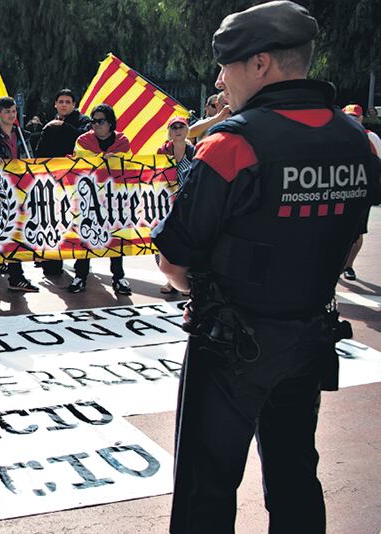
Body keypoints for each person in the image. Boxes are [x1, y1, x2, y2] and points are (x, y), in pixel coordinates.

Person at [152, 3, 380, 532]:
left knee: (206, 487)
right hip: (308, 337)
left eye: (225, 64)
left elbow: (173, 260)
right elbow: (351, 244)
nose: (218, 77)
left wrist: (215, 291)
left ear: (260, 65)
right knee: (296, 474)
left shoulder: (232, 145)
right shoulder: (355, 140)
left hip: (231, 343)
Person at [0, 96, 40, 298]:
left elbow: (31, 160)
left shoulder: (22, 135)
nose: (11, 115)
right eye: (7, 112)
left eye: (13, 111)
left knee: (16, 235)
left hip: (20, 192)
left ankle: (16, 277)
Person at [70, 104, 132, 295]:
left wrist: (107, 160)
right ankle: (80, 276)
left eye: (100, 121)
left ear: (110, 123)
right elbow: (83, 162)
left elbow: (127, 162)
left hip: (114, 199)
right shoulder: (83, 140)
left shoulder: (122, 140)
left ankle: (119, 277)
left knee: (116, 237)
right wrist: (106, 159)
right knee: (85, 236)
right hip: (88, 198)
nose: (95, 125)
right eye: (93, 121)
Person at [35, 88, 92, 276]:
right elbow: (40, 150)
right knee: (54, 220)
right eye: (61, 101)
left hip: (78, 182)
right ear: (56, 104)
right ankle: (52, 262)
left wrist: (61, 126)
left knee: (79, 221)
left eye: (68, 101)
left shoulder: (84, 121)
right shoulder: (49, 123)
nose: (64, 104)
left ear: (74, 105)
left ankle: (81, 265)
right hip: (53, 182)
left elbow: (84, 140)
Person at [154, 116, 196, 295]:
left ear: (187, 130)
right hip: (165, 203)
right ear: (169, 132)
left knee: (186, 242)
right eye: (174, 127)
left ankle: (185, 280)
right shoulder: (162, 151)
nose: (178, 130)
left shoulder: (194, 151)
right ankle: (169, 280)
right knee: (164, 241)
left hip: (187, 204)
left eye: (181, 126)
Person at [340, 103, 380, 280]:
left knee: (357, 232)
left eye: (355, 117)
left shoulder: (372, 138)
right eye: (348, 117)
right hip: (339, 192)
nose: (352, 120)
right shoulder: (336, 136)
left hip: (361, 192)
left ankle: (349, 266)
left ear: (361, 118)